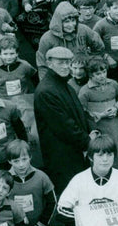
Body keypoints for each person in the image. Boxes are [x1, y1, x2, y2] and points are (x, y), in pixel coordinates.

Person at [34, 46, 96, 192]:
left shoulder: (63, 85)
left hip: (73, 152)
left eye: (68, 62)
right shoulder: (46, 91)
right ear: (49, 64)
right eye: (60, 62)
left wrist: (91, 132)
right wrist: (88, 142)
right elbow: (64, 126)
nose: (65, 66)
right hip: (61, 157)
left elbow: (78, 114)